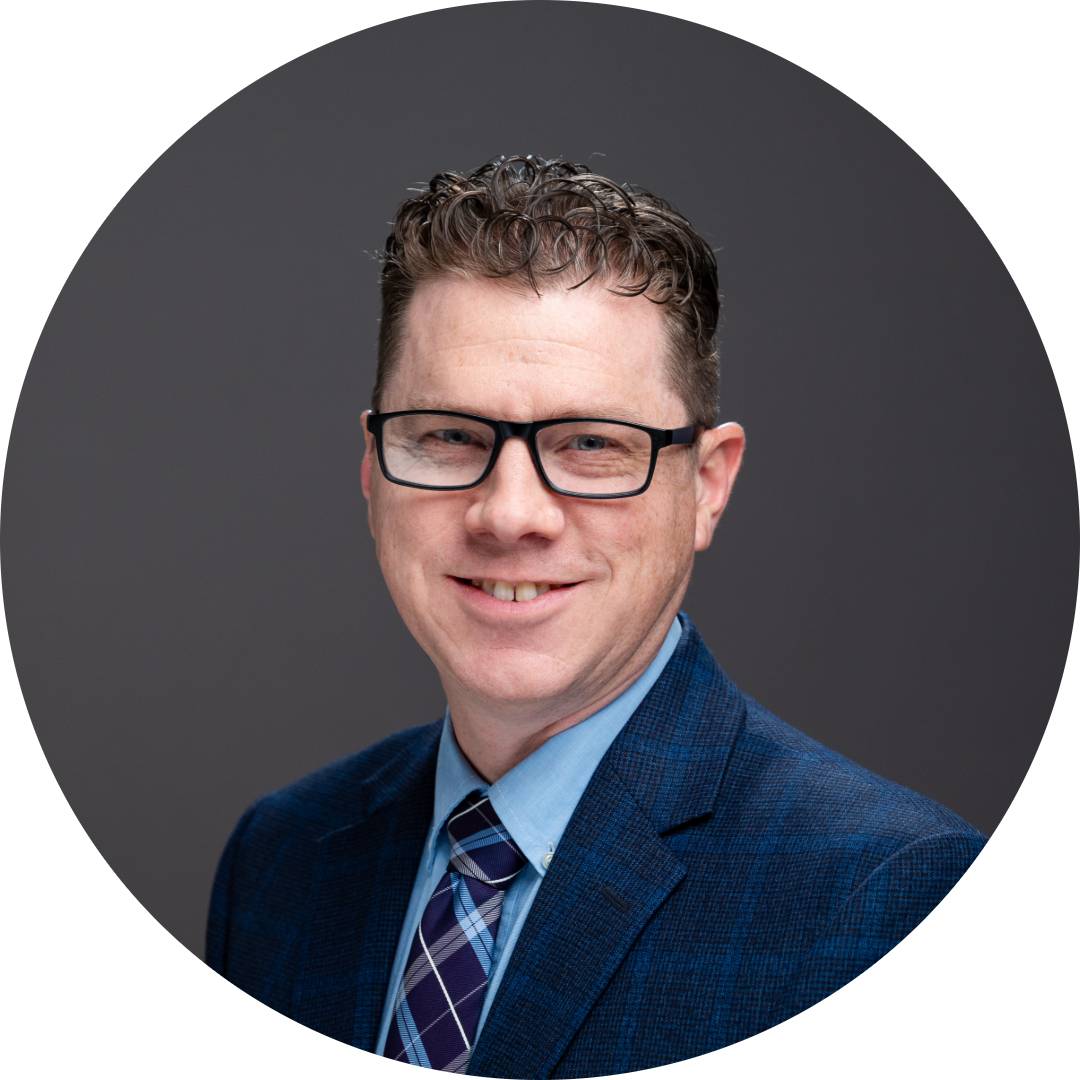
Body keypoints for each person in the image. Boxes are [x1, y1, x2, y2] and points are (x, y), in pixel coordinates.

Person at [206, 155, 985, 1077]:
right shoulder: (284, 860)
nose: (510, 515)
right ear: (374, 469)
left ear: (706, 485)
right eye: (450, 436)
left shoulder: (889, 900)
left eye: (589, 445)